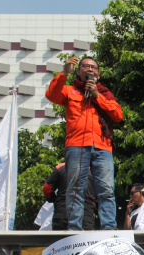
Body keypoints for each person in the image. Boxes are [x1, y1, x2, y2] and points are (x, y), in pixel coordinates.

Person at [45, 55, 122, 231]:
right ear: (78, 71)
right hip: (77, 145)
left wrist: (96, 95)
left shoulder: (104, 93)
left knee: (106, 189)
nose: (90, 69)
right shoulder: (70, 90)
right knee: (75, 188)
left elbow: (118, 115)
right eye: (86, 66)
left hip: (102, 147)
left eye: (94, 67)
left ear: (98, 75)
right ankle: (74, 228)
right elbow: (52, 94)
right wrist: (64, 73)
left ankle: (109, 228)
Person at [43, 162, 98, 231]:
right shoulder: (95, 172)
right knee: (84, 240)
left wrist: (53, 199)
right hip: (86, 215)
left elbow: (47, 188)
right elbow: (101, 195)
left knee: (61, 241)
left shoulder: (61, 167)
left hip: (63, 213)